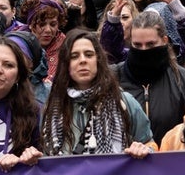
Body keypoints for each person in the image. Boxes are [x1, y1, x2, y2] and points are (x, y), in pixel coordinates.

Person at [37, 30, 155, 158]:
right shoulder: (51, 109)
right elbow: (44, 158)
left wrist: (144, 149)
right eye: (74, 56)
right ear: (66, 64)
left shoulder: (124, 102)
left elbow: (150, 143)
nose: (83, 60)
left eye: (89, 55)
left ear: (98, 60)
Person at [113, 10, 185, 144]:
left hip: (168, 161)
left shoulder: (184, 80)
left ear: (164, 41)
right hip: (124, 161)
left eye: (151, 44)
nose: (144, 50)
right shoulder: (113, 78)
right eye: (137, 45)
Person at [0, 37, 41, 172]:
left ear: (18, 76)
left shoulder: (33, 112)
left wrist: (23, 161)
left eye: (8, 65)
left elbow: (39, 167)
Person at [19, 0, 67, 83]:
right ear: (30, 25)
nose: (48, 30)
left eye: (53, 24)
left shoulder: (66, 47)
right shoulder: (16, 44)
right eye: (42, 24)